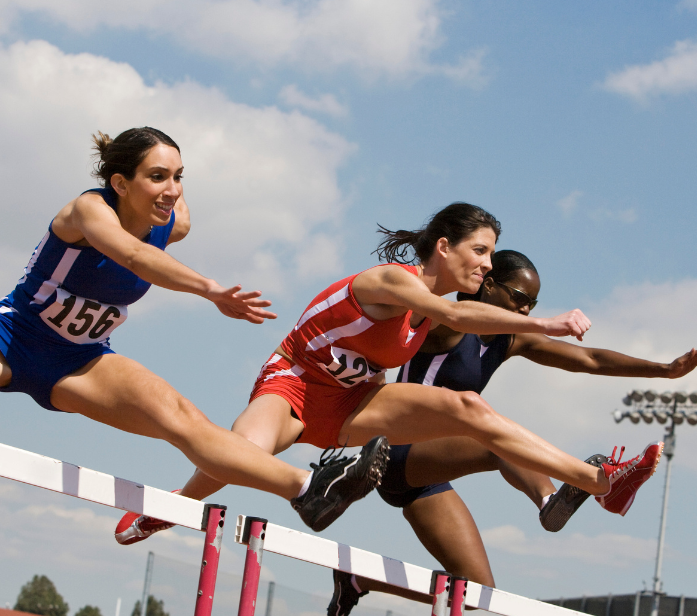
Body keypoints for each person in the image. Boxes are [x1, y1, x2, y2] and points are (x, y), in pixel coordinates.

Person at [0, 127, 387, 531]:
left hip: (80, 359)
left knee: (184, 424)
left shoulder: (173, 221)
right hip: (10, 337)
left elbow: (155, 239)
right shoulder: (86, 211)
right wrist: (210, 291)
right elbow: (132, 258)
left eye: (179, 176)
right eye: (157, 176)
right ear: (120, 181)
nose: (172, 190)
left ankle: (310, 487)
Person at [119, 203, 661, 541]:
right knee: (243, 450)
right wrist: (547, 322)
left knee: (468, 409)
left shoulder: (439, 303)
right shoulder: (393, 281)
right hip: (297, 383)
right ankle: (167, 509)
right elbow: (456, 314)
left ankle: (599, 483)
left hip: (356, 402)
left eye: (492, 256)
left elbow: (462, 316)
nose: (488, 265)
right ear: (443, 247)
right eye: (481, 251)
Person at [324, 249, 697, 616]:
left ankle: (359, 581)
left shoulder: (509, 339)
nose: (526, 311)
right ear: (488, 284)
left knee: (478, 591)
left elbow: (589, 360)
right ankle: (552, 501)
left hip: (424, 476)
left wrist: (666, 371)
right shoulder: (447, 324)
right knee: (489, 430)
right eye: (519, 299)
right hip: (395, 451)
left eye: (532, 304)